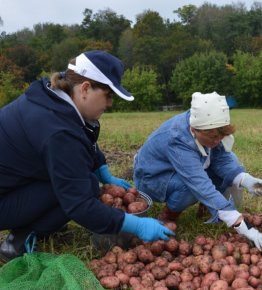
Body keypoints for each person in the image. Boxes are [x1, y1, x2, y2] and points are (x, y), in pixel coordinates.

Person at [0, 50, 173, 263]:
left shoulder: (52, 97)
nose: (109, 103)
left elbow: (83, 137)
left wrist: (102, 169)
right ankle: (18, 240)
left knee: (85, 179)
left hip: (11, 182)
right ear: (85, 88)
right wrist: (136, 225)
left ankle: (33, 223)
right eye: (108, 95)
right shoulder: (58, 132)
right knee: (86, 187)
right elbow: (79, 205)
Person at [133, 92, 262, 252]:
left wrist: (244, 179)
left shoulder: (210, 126)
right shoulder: (178, 139)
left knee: (230, 157)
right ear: (195, 129)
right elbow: (198, 183)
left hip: (184, 168)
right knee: (189, 188)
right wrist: (240, 223)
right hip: (153, 178)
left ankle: (210, 206)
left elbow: (222, 159)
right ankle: (168, 216)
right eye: (213, 137)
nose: (217, 140)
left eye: (221, 135)